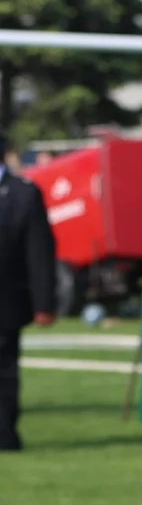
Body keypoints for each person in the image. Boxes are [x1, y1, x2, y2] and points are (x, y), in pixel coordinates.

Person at [0, 136, 58, 452]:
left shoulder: (22, 194)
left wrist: (44, 303)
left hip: (6, 300)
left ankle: (5, 435)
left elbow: (39, 252)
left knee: (4, 372)